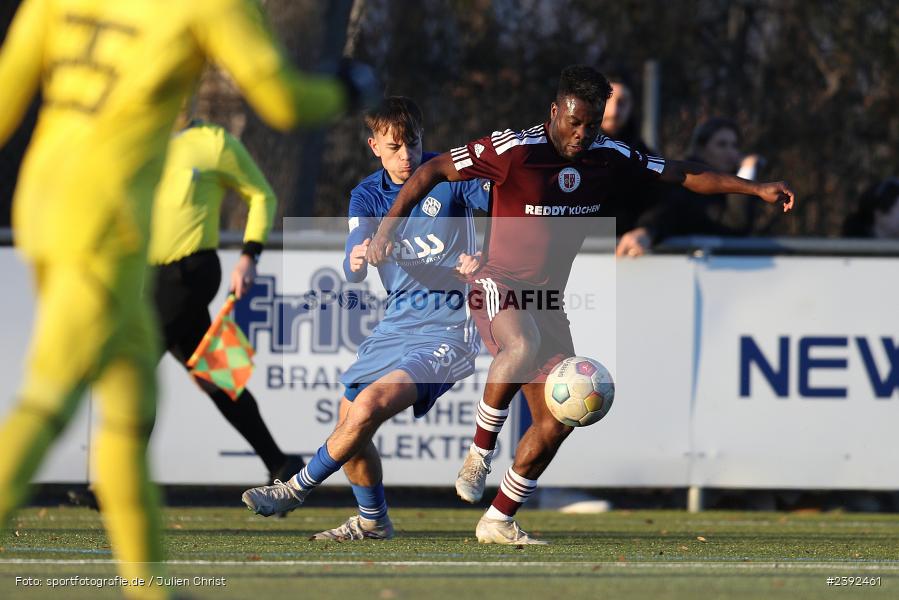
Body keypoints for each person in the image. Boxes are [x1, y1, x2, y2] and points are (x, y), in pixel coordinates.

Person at [0, 0, 374, 596]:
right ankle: (275, 461)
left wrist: (248, 251)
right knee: (58, 393)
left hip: (48, 209)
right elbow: (282, 99)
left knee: (131, 392)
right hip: (105, 226)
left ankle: (151, 586)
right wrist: (345, 89)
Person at [365, 65, 795, 544]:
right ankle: (479, 454)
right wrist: (387, 229)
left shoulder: (608, 154)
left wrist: (753, 188)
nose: (582, 134)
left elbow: (681, 173)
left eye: (592, 124)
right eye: (574, 122)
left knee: (559, 420)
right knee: (521, 344)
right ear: (555, 111)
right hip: (496, 282)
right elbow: (431, 169)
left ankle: (499, 517)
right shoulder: (513, 150)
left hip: (548, 301)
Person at [240, 96, 489, 540]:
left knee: (370, 404)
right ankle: (374, 521)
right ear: (374, 146)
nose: (406, 155)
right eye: (394, 147)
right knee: (350, 422)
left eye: (411, 143)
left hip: (450, 325)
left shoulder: (450, 174)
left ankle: (294, 489)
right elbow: (354, 254)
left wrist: (488, 253)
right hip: (396, 324)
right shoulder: (368, 193)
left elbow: (512, 203)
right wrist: (356, 256)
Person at [150, 119, 304, 483]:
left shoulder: (214, 143)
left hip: (190, 273)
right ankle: (281, 464)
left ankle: (114, 486)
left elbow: (262, 195)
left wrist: (250, 255)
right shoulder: (140, 135)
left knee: (134, 370)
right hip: (147, 278)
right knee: (215, 377)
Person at [616, 117, 765, 257]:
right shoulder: (682, 180)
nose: (732, 153)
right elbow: (736, 224)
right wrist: (647, 231)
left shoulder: (727, 181)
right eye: (722, 144)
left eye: (735, 145)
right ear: (700, 149)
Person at [601, 71, 662, 235]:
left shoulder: (645, 157)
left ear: (632, 106)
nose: (614, 111)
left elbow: (661, 205)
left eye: (622, 102)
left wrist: (646, 230)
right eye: (607, 99)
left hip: (624, 256)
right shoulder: (564, 150)